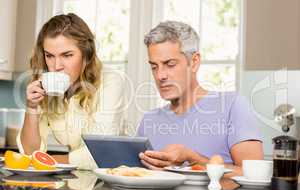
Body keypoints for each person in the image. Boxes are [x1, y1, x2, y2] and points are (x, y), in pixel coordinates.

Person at [138, 21, 263, 174]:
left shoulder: (232, 106)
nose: (160, 75)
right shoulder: (149, 120)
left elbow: (256, 176)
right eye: (154, 67)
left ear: (194, 62)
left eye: (170, 64)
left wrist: (193, 159)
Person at [17, 13, 124, 170]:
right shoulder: (47, 86)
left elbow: (100, 152)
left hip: (112, 180)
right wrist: (32, 108)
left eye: (67, 55)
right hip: (77, 178)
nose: (56, 65)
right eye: (49, 56)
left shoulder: (110, 81)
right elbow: (31, 153)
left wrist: (49, 162)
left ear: (86, 54)